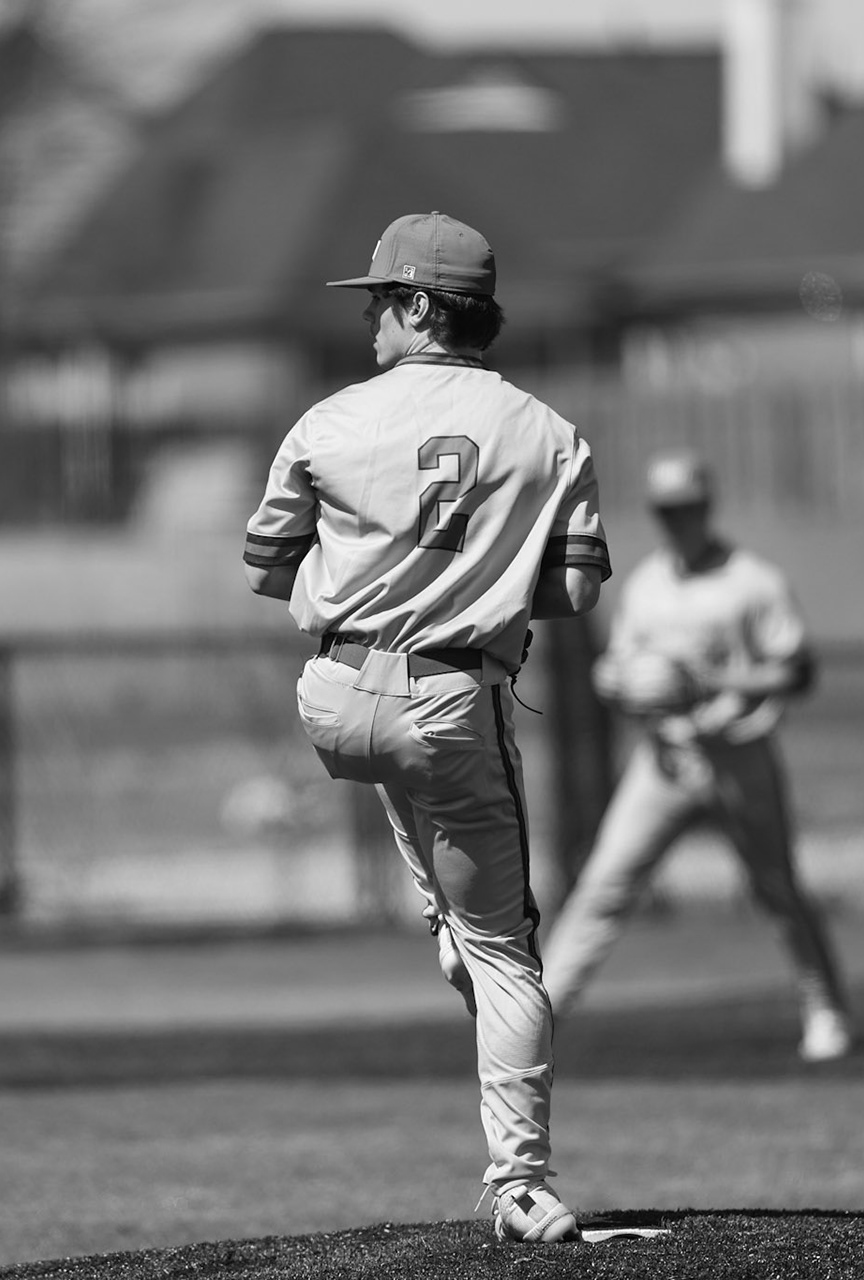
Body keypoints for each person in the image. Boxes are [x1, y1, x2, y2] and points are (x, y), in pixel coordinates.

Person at [243, 211, 611, 1244]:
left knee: (462, 924)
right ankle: (523, 1178)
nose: (367, 319)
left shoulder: (324, 423)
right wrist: (478, 587)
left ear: (419, 305)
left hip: (334, 695)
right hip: (448, 701)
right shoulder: (548, 430)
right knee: (508, 953)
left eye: (377, 300)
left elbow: (271, 568)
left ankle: (451, 935)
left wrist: (374, 582)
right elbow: (577, 592)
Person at [538, 449, 852, 1063]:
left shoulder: (752, 581)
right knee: (602, 886)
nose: (676, 520)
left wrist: (714, 682)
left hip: (738, 756)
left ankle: (827, 1007)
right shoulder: (648, 584)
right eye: (665, 510)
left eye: (685, 507)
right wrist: (619, 683)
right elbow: (624, 668)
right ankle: (538, 1021)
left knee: (777, 890)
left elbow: (799, 671)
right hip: (664, 762)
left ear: (707, 505)